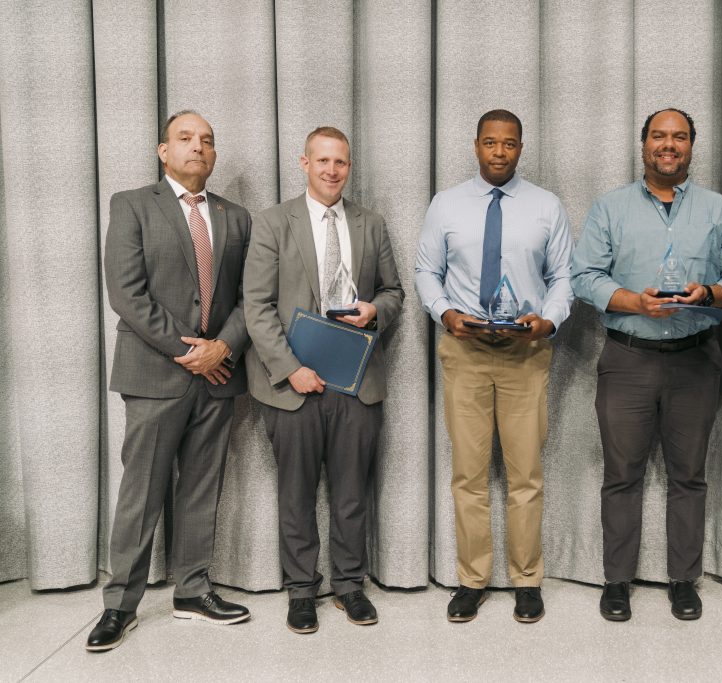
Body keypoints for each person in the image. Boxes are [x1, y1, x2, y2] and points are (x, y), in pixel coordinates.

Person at [571, 108, 722, 622]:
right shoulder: (610, 208)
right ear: (643, 143)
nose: (668, 145)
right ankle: (616, 581)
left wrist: (709, 293)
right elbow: (584, 276)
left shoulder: (720, 210)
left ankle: (683, 581)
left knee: (689, 476)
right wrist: (634, 302)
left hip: (696, 359)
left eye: (679, 137)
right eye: (659, 136)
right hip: (628, 357)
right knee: (621, 475)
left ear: (692, 145)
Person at [88, 111, 252, 652]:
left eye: (207, 140)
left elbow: (252, 295)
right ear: (164, 151)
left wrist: (223, 347)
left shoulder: (236, 217)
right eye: (185, 138)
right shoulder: (132, 205)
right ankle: (120, 605)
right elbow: (127, 294)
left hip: (219, 374)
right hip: (156, 374)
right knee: (142, 491)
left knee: (203, 488)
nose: (197, 147)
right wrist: (191, 352)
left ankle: (193, 592)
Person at [243, 126, 404, 634]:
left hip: (355, 381)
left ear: (349, 167)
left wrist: (375, 310)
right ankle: (301, 590)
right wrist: (292, 369)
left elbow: (394, 292)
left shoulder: (371, 223)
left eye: (341, 162)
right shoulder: (272, 222)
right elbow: (256, 306)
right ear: (304, 163)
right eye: (323, 161)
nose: (332, 170)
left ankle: (350, 585)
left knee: (351, 493)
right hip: (292, 383)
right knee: (296, 493)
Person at [415, 109, 573, 624]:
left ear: (520, 148)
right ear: (476, 145)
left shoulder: (546, 206)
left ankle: (527, 580)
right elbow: (426, 270)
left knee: (526, 474)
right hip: (465, 352)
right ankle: (472, 580)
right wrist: (445, 313)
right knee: (469, 474)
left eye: (508, 144)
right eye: (490, 142)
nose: (499, 152)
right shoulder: (446, 204)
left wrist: (548, 322)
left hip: (526, 354)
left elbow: (563, 277)